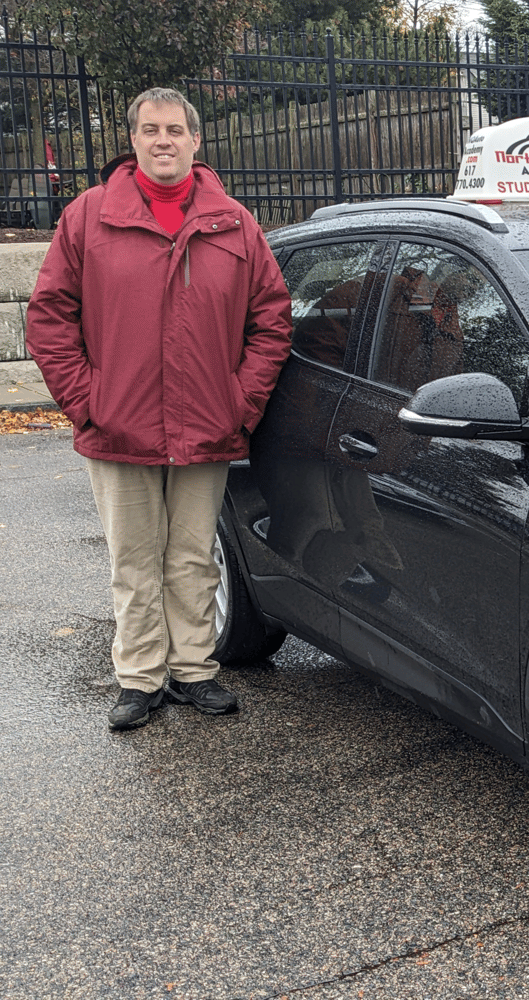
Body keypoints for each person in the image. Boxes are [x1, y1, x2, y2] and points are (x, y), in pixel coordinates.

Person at [25, 87, 292, 730]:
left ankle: (195, 670)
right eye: (151, 130)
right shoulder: (88, 217)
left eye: (175, 129)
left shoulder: (234, 222)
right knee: (134, 558)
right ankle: (141, 677)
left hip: (207, 424)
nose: (163, 140)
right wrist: (87, 403)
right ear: (135, 140)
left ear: (196, 141)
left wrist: (238, 403)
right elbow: (49, 318)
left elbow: (272, 321)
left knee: (193, 555)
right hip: (119, 424)